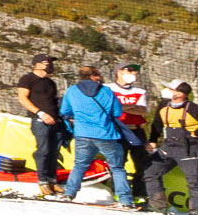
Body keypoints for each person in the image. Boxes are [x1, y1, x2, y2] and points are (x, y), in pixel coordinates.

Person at [60, 64, 137, 207]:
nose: (101, 77)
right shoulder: (106, 91)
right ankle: (125, 200)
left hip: (82, 134)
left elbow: (65, 111)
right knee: (117, 168)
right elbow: (117, 113)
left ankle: (69, 193)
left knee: (79, 166)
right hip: (105, 134)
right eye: (98, 74)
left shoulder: (72, 91)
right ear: (93, 77)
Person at [145, 81, 198, 215]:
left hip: (190, 148)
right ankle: (157, 205)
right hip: (168, 146)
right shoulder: (164, 105)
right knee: (150, 171)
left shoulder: (192, 108)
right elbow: (157, 123)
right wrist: (153, 140)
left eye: (170, 88)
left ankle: (197, 211)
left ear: (180, 94)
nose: (165, 90)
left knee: (194, 180)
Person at [15, 55, 66, 196]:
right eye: (46, 62)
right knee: (43, 150)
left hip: (55, 120)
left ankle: (52, 181)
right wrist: (40, 113)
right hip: (39, 120)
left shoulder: (51, 83)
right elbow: (22, 98)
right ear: (37, 64)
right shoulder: (27, 79)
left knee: (54, 152)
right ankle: (43, 181)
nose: (49, 65)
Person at [109, 61, 152, 188]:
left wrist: (122, 107)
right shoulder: (108, 88)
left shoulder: (140, 91)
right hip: (117, 130)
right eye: (130, 70)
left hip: (137, 131)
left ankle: (140, 193)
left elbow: (143, 110)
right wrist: (132, 107)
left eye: (135, 70)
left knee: (142, 164)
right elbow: (110, 108)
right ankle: (117, 192)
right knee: (118, 163)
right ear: (120, 72)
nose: (134, 73)